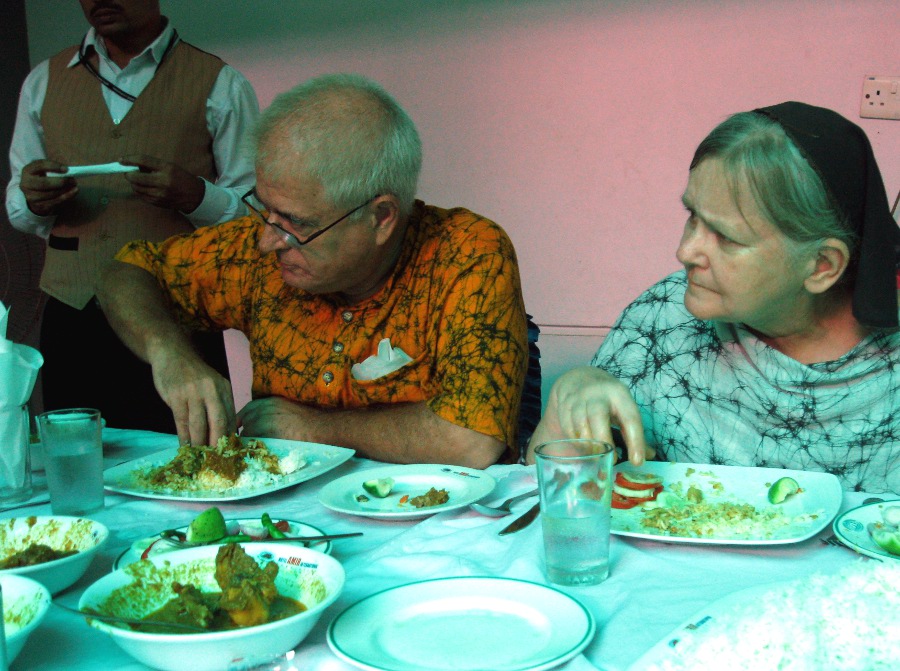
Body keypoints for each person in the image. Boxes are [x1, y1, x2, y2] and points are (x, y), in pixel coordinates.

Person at [98, 73, 528, 468]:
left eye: (297, 224)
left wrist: (313, 429)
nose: (268, 241)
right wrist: (168, 353)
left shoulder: (465, 253)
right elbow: (127, 271)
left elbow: (472, 440)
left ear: (381, 217)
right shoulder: (259, 248)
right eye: (264, 209)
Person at [528, 102, 900, 495]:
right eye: (692, 216)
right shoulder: (664, 316)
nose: (685, 251)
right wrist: (563, 412)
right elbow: (563, 498)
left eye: (726, 238)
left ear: (822, 265)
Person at [5, 0, 259, 432]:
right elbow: (18, 206)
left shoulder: (220, 82)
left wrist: (197, 196)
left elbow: (256, 215)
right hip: (73, 316)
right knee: (82, 459)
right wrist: (34, 200)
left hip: (176, 317)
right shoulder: (43, 81)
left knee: (189, 454)